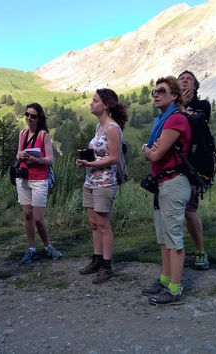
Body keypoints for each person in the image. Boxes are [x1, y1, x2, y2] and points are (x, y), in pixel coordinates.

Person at [141, 76, 191, 304]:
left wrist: (148, 150)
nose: (156, 94)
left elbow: (155, 153)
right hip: (162, 184)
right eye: (154, 91)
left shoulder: (175, 120)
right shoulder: (162, 120)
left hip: (173, 183)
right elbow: (154, 150)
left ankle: (174, 289)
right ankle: (165, 280)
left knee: (173, 238)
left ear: (174, 96)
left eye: (161, 91)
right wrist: (150, 149)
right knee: (163, 238)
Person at [76, 88, 128, 284]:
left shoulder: (112, 128)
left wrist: (90, 163)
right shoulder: (99, 127)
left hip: (104, 183)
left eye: (95, 100)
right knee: (94, 223)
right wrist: (85, 160)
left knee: (104, 225)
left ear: (105, 105)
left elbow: (113, 158)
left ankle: (107, 265)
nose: (91, 103)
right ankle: (97, 259)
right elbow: (100, 154)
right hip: (90, 181)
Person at [16, 103, 63, 265]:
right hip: (23, 178)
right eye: (27, 114)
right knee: (27, 214)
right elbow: (17, 155)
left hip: (39, 179)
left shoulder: (44, 135)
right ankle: (31, 248)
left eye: (33, 116)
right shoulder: (22, 133)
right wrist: (21, 156)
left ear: (39, 118)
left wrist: (35, 159)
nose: (29, 118)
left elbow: (50, 159)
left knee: (37, 217)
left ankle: (47, 245)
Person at [178, 70, 210, 270]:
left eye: (188, 79)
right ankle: (175, 252)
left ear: (195, 86)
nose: (184, 82)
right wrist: (182, 110)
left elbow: (197, 122)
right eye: (181, 79)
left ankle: (200, 251)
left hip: (193, 167)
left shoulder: (202, 105)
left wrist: (183, 111)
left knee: (189, 210)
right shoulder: (172, 106)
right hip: (172, 164)